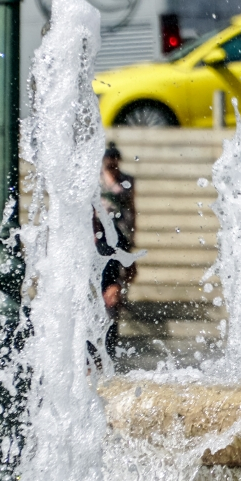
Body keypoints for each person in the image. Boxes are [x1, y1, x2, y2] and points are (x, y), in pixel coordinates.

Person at [92, 142, 137, 359]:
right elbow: (91, 209)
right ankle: (94, 351)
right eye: (108, 158)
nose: (111, 162)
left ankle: (109, 348)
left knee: (113, 296)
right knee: (99, 295)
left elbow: (131, 209)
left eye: (114, 158)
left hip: (120, 238)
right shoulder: (97, 180)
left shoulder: (127, 180)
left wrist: (132, 240)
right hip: (100, 239)